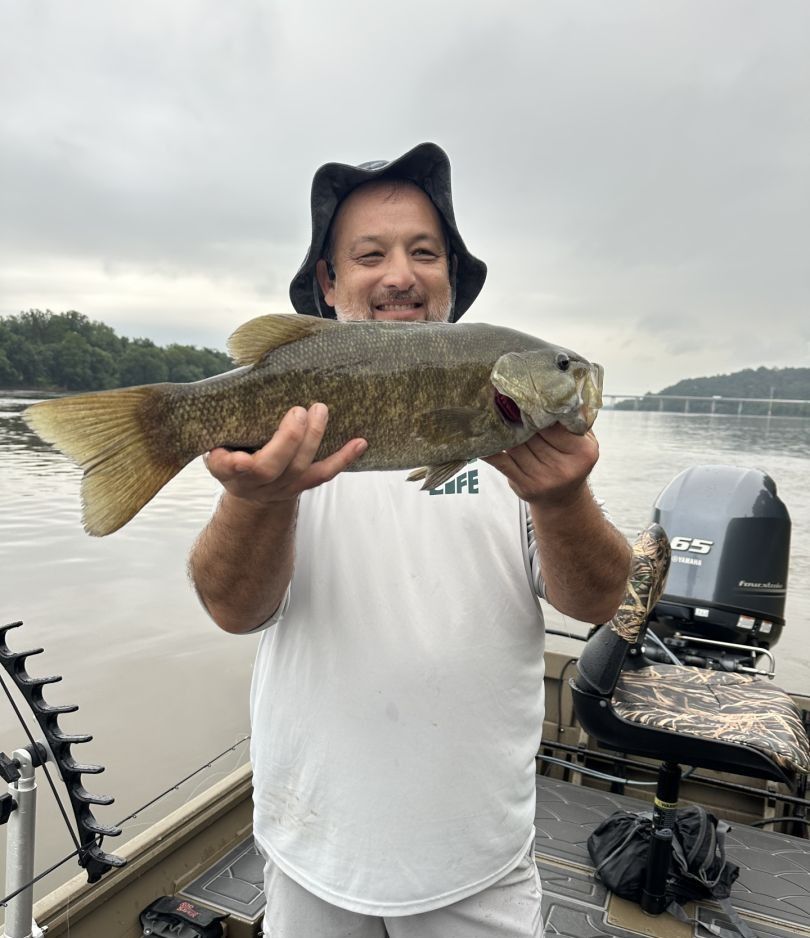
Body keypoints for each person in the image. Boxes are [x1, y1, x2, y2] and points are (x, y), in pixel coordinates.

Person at [189, 142, 631, 937]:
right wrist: (257, 502)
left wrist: (563, 500)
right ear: (328, 284)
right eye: (370, 255)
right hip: (313, 848)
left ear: (452, 279)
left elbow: (598, 602)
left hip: (478, 857)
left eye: (425, 253)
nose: (401, 274)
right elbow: (232, 610)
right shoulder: (281, 443)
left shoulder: (527, 446)